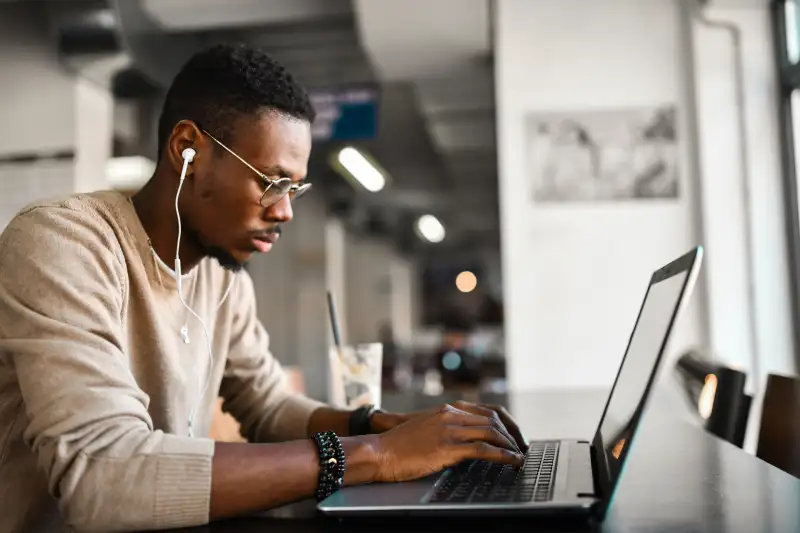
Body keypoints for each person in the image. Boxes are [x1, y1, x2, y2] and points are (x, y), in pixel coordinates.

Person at [0, 43, 526, 533]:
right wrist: (374, 456)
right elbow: (103, 477)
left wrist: (380, 426)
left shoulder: (218, 274)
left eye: (295, 187)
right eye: (272, 181)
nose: (285, 211)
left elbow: (267, 406)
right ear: (188, 150)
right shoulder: (62, 244)